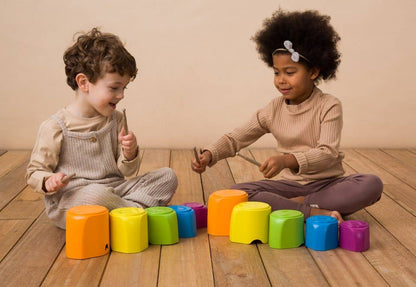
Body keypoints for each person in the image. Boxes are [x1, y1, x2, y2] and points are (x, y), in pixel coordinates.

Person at [191, 10, 382, 223]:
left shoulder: (329, 105)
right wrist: (209, 154)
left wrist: (287, 160)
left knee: (370, 184)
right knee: (237, 192)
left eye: (289, 72)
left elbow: (327, 153)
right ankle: (312, 210)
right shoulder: (273, 109)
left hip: (328, 184)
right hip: (289, 186)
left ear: (313, 72)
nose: (281, 80)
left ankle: (300, 206)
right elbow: (235, 138)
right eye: (276, 72)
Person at [26, 28, 177, 229]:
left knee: (168, 176)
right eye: (114, 88)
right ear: (84, 83)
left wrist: (130, 153)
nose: (121, 94)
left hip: (114, 190)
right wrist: (48, 181)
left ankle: (127, 213)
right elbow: (34, 172)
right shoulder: (55, 127)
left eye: (124, 88)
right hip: (74, 199)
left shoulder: (117, 119)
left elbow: (125, 171)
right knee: (95, 194)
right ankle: (137, 214)